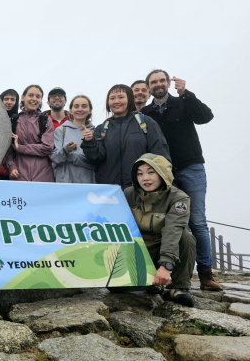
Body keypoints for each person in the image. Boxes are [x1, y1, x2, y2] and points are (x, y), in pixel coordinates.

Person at [141, 70, 220, 291]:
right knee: (169, 221)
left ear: (168, 83)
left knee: (197, 221)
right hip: (165, 173)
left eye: (161, 81)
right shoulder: (146, 112)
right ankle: (170, 272)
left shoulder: (183, 102)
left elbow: (206, 117)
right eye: (153, 82)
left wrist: (186, 93)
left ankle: (205, 273)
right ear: (149, 87)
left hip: (191, 167)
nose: (158, 84)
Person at [124, 154, 196, 307]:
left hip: (165, 247)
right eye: (140, 173)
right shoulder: (128, 194)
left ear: (163, 173)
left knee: (185, 236)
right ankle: (152, 282)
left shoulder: (178, 198)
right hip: (140, 250)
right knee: (116, 287)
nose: (145, 178)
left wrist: (165, 266)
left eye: (151, 172)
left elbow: (173, 230)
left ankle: (179, 287)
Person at [81, 84, 170, 189]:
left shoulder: (146, 122)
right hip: (111, 191)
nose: (116, 101)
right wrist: (90, 142)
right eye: (112, 98)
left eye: (121, 97)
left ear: (130, 99)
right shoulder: (102, 128)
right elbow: (96, 158)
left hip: (141, 188)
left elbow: (160, 154)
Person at [2, 85, 55, 182]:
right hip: (19, 175)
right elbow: (6, 151)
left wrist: (20, 148)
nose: (34, 99)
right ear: (23, 97)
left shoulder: (46, 120)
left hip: (43, 175)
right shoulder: (12, 121)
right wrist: (11, 168)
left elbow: (48, 147)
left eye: (38, 96)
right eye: (31, 95)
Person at [51, 95, 96, 183]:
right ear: (70, 111)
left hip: (88, 182)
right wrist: (65, 150)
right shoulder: (60, 130)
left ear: (90, 110)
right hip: (64, 182)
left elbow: (96, 162)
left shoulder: (95, 132)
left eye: (84, 106)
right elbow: (55, 158)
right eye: (76, 106)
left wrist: (71, 156)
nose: (80, 109)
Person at [0, 89, 20, 180]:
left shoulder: (20, 121)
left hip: (13, 169)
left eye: (12, 99)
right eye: (6, 99)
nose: (9, 102)